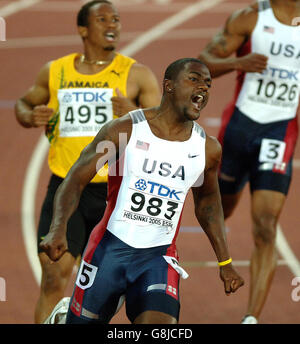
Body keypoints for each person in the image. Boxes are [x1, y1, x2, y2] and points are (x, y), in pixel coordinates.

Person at [40, 57, 244, 324]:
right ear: (168, 86)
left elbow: (207, 204)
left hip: (157, 258)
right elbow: (75, 180)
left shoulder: (207, 149)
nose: (203, 87)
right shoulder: (124, 130)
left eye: (208, 83)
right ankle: (64, 315)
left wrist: (225, 262)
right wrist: (58, 228)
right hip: (108, 251)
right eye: (194, 79)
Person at [15, 0, 161, 324]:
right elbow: (24, 103)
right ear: (82, 29)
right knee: (53, 277)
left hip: (116, 194)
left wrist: (136, 117)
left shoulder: (136, 74)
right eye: (103, 19)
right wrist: (30, 115)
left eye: (117, 19)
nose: (113, 24)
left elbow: (165, 130)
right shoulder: (56, 70)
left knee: (113, 287)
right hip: (67, 188)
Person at [198, 0, 300, 324]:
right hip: (240, 128)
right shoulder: (250, 18)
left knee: (266, 226)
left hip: (280, 132)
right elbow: (202, 63)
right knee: (219, 210)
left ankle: (251, 318)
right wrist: (239, 62)